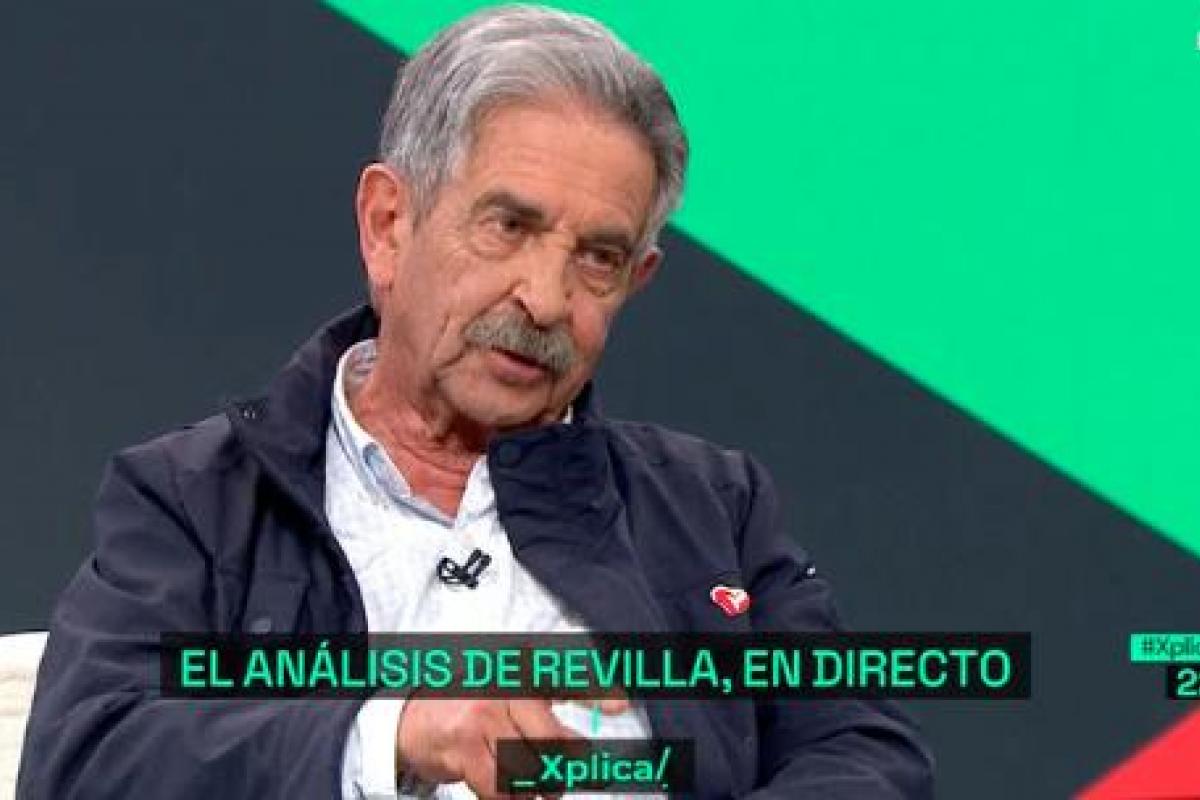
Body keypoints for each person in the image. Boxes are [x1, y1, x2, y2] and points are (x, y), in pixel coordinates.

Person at [17, 5, 933, 798]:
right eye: (509, 226)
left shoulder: (711, 508)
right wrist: (401, 731)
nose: (544, 297)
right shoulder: (196, 500)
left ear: (636, 281)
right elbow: (84, 759)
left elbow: (866, 752)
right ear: (389, 225)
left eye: (598, 258)